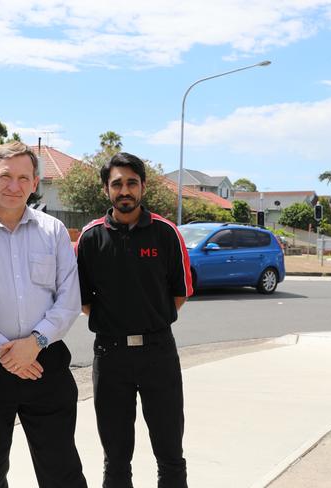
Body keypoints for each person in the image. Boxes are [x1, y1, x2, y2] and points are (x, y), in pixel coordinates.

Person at [0, 141, 87, 488]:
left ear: (35, 183)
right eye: (6, 176)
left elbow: (69, 300)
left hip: (46, 365)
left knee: (62, 469)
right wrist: (2, 349)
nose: (14, 186)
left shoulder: (53, 232)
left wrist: (34, 343)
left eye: (24, 178)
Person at [77, 152, 193, 488]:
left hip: (159, 354)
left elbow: (179, 293)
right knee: (115, 457)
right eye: (117, 184)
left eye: (131, 182)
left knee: (170, 452)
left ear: (142, 186)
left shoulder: (166, 233)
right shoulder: (90, 238)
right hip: (110, 357)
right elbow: (84, 300)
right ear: (106, 190)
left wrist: (150, 319)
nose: (124, 190)